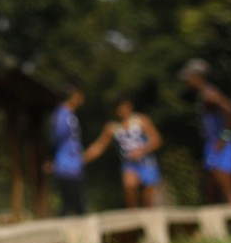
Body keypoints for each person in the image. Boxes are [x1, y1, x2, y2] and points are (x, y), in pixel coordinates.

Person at [82, 98, 164, 209]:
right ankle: (134, 218)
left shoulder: (141, 120)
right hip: (129, 164)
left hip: (147, 163)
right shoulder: (112, 127)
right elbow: (99, 146)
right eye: (119, 108)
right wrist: (82, 158)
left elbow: (157, 140)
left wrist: (142, 151)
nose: (122, 110)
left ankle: (149, 219)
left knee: (148, 198)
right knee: (129, 186)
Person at [180, 59, 231, 205]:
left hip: (220, 145)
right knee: (211, 187)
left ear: (197, 77)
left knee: (227, 188)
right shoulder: (204, 94)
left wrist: (224, 138)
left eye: (189, 77)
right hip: (213, 145)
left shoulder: (209, 93)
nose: (187, 81)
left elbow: (230, 109)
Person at [44, 87, 86, 216]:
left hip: (73, 163)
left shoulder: (70, 115)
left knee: (75, 201)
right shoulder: (63, 115)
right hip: (66, 164)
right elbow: (54, 139)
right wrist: (50, 159)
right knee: (72, 202)